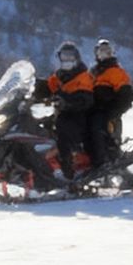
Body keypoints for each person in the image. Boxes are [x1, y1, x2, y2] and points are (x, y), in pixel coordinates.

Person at [31, 41, 96, 184]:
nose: (66, 60)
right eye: (64, 56)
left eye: (70, 56)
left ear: (76, 57)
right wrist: (30, 87)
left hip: (80, 117)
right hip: (63, 114)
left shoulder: (83, 77)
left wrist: (67, 103)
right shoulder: (59, 76)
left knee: (63, 133)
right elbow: (47, 87)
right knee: (37, 127)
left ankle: (67, 172)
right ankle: (38, 166)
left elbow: (85, 99)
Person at [88, 39, 133, 170]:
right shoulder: (93, 73)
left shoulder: (115, 72)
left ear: (112, 53)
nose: (104, 56)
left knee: (98, 129)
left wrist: (114, 111)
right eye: (101, 52)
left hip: (107, 112)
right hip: (92, 110)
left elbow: (127, 94)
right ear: (96, 54)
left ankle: (103, 161)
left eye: (107, 52)